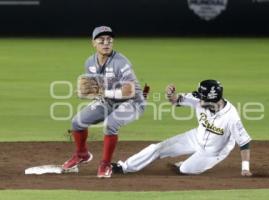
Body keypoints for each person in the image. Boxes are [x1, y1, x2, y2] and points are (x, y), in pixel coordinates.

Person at [112, 80, 252, 176]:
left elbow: (244, 142)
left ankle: (188, 163)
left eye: (203, 98)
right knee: (157, 148)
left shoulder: (231, 117)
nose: (199, 100)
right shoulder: (199, 99)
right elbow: (175, 100)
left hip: (214, 151)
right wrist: (170, 95)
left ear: (214, 100)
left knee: (184, 169)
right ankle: (124, 167)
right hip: (195, 137)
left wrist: (245, 168)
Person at [62, 26, 146, 178]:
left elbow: (129, 91)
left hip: (133, 102)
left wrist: (102, 92)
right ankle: (82, 155)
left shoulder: (121, 62)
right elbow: (96, 88)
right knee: (77, 122)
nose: (106, 43)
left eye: (109, 40)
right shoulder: (89, 62)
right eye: (101, 40)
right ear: (93, 43)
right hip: (108, 100)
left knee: (110, 124)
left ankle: (105, 164)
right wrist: (88, 94)